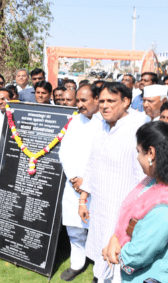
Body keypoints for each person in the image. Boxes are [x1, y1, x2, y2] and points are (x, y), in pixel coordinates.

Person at [78, 82, 146, 283]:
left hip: (123, 211)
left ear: (126, 102)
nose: (104, 105)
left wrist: (136, 216)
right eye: (102, 100)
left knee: (118, 259)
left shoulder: (139, 127)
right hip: (99, 206)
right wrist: (83, 198)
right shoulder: (101, 125)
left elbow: (143, 179)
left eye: (111, 101)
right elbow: (92, 161)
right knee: (100, 251)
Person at [104, 121, 168, 283]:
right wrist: (115, 238)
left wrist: (112, 252)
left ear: (151, 153)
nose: (137, 157)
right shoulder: (158, 181)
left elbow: (137, 255)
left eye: (138, 151)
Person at [59, 84, 102, 281]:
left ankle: (99, 269)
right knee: (74, 229)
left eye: (84, 100)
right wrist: (73, 177)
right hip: (73, 184)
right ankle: (77, 263)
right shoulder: (75, 121)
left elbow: (103, 158)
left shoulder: (106, 123)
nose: (79, 104)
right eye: (78, 100)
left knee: (98, 229)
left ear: (96, 99)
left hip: (97, 186)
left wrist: (87, 181)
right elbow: (64, 152)